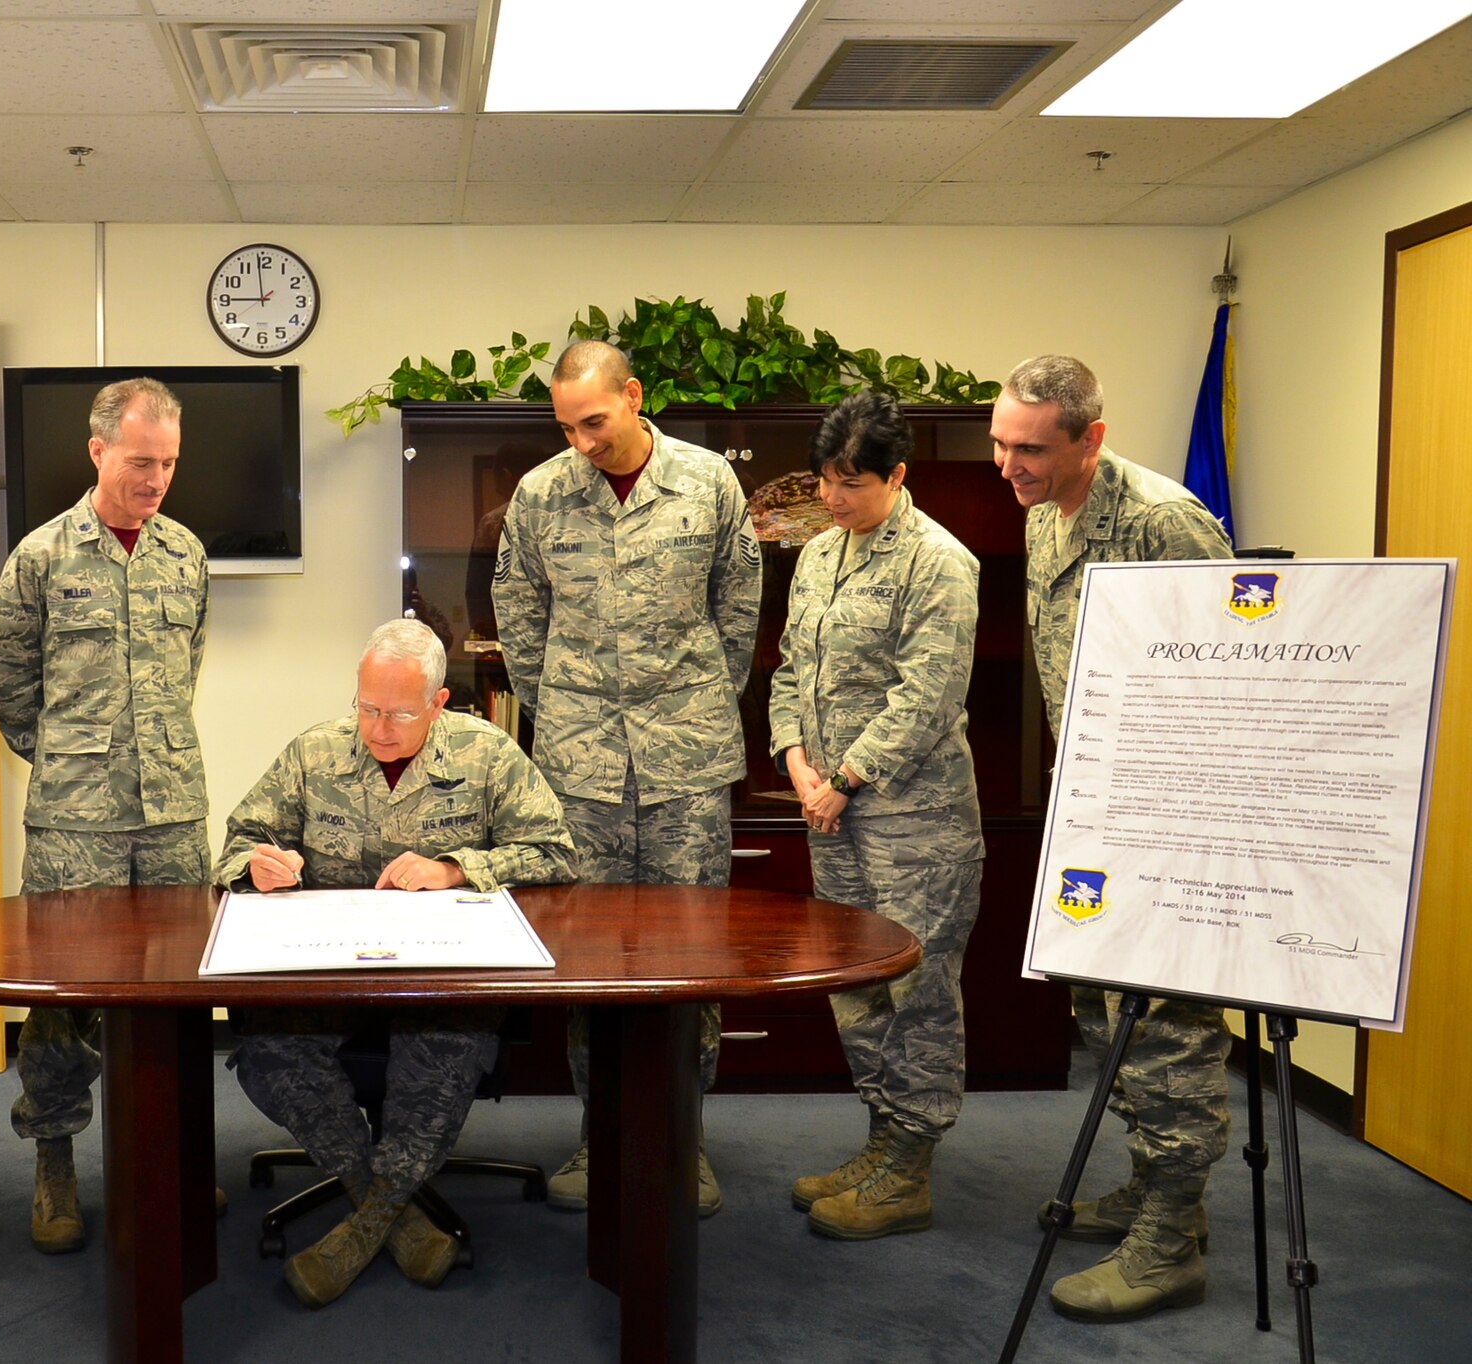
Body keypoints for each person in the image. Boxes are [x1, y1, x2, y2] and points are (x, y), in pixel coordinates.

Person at [217, 620, 574, 1308]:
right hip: (326, 971)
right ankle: (392, 1213)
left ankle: (368, 1222)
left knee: (445, 1046)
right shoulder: (312, 753)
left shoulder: (488, 755)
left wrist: (456, 869)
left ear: (439, 704)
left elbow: (556, 854)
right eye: (367, 708)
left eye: (400, 713)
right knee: (269, 1049)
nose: (377, 730)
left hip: (440, 977)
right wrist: (260, 864)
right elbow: (237, 843)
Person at [490, 338, 760, 1215]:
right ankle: (599, 1133)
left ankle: (685, 1138)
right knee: (588, 962)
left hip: (687, 766)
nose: (581, 443)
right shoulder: (541, 495)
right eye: (566, 427)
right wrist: (564, 710)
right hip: (580, 774)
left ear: (635, 397)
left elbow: (740, 608)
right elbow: (519, 613)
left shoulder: (710, 483)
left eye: (595, 422)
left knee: (691, 960)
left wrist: (693, 702)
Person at [992, 354, 1234, 1323]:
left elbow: (1234, 671)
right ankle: (1150, 1182)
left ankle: (1172, 1233)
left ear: (1088, 438)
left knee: (1165, 1024)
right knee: (1105, 1015)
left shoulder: (1163, 522)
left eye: (1030, 449)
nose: (1007, 466)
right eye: (1000, 443)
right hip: (1085, 804)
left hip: (1164, 816)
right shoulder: (1036, 510)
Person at [0, 375, 213, 1252]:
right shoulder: (41, 556)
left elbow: (187, 666)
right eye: (140, 461)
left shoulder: (185, 554)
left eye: (169, 463)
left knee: (177, 993)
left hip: (173, 814)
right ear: (98, 452)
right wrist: (73, 764)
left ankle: (173, 1160)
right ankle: (55, 1166)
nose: (155, 479)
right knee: (62, 1001)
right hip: (75, 820)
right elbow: (11, 683)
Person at [769, 392, 984, 1239]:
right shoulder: (821, 556)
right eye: (825, 479)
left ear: (897, 475)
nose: (831, 498)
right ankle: (882, 1139)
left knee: (916, 989)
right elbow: (790, 668)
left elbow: (926, 696)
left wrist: (844, 778)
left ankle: (911, 1168)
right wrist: (793, 758)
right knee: (856, 985)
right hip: (831, 815)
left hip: (913, 823)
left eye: (850, 483)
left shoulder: (940, 562)